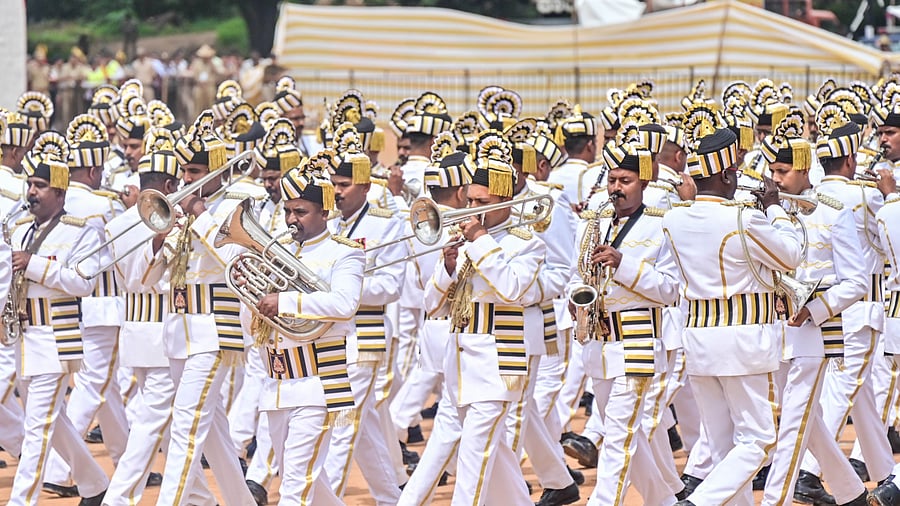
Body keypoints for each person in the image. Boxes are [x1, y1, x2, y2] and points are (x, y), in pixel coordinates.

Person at [663, 123, 802, 506]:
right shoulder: (744, 218)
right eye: (736, 172)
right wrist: (774, 206)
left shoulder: (673, 219)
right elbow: (790, 256)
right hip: (744, 340)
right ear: (726, 174)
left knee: (723, 444)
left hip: (699, 340)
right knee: (758, 440)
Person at [423, 129, 545, 506]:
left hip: (498, 363)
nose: (472, 208)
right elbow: (431, 305)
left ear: (506, 200)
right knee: (503, 465)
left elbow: (512, 289)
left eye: (483, 201)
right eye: (470, 199)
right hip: (460, 363)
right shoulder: (463, 239)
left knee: (472, 461)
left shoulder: (527, 243)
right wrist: (445, 267)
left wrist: (479, 241)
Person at [143, 111, 256, 505]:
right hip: (178, 330)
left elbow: (235, 261)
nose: (189, 180)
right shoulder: (177, 212)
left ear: (220, 172)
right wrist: (158, 240)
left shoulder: (236, 206)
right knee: (213, 435)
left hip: (215, 328)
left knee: (186, 425)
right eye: (185, 172)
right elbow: (145, 280)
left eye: (196, 171)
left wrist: (199, 215)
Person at [760, 110, 869, 506]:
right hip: (773, 329)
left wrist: (816, 309)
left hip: (815, 331)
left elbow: (856, 281)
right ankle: (850, 491)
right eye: (773, 169)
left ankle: (775, 500)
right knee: (807, 419)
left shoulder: (832, 212)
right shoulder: (764, 211)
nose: (776, 178)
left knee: (793, 423)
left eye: (784, 171)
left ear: (804, 171)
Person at [573, 131, 680, 506]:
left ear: (645, 183)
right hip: (599, 343)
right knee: (630, 440)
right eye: (612, 180)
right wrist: (576, 298)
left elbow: (669, 289)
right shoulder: (594, 223)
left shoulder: (660, 225)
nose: (616, 188)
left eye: (626, 181)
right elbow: (577, 272)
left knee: (617, 439)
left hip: (638, 342)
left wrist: (623, 265)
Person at [253, 165, 365, 505]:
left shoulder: (344, 252)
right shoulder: (277, 251)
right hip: (278, 381)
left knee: (295, 487)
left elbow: (345, 303)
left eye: (300, 212)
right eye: (287, 210)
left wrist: (283, 301)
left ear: (325, 213)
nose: (290, 219)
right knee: (306, 484)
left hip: (319, 380)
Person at [8, 131, 109, 506]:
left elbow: (84, 282)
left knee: (37, 428)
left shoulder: (81, 231)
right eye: (30, 184)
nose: (32, 193)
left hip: (56, 335)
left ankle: (21, 502)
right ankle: (95, 483)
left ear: (61, 194)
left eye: (41, 187)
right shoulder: (21, 229)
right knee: (56, 422)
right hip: (23, 334)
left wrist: (34, 266)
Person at [41, 114, 131, 498]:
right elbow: (127, 250)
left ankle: (127, 458)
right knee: (93, 385)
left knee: (104, 387)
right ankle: (60, 471)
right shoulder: (104, 204)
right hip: (103, 305)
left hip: (65, 305)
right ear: (94, 170)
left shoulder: (55, 200)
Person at [102, 127, 190, 505]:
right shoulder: (162, 221)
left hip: (135, 331)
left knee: (187, 426)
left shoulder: (116, 223)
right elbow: (149, 275)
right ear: (169, 183)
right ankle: (117, 499)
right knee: (152, 425)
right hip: (164, 330)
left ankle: (197, 497)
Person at [323, 124, 408, 504]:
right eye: (334, 183)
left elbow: (392, 286)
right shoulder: (325, 222)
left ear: (366, 188)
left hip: (366, 334)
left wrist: (341, 289)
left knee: (342, 422)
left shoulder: (386, 224)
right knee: (365, 426)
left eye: (344, 185)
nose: (337, 191)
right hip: (330, 332)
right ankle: (391, 499)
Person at [395, 134, 473, 505]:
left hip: (434, 324)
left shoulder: (418, 224)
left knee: (462, 419)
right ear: (459, 194)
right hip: (461, 327)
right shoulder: (459, 228)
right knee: (457, 418)